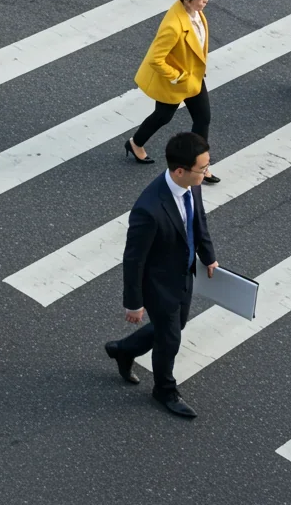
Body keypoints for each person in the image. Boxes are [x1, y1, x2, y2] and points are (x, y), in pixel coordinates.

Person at [105, 133, 219, 418]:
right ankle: (164, 389)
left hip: (184, 273)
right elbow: (133, 259)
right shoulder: (149, 209)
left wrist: (208, 255)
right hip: (158, 284)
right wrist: (134, 302)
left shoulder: (191, 184)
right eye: (202, 168)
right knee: (170, 338)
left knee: (175, 325)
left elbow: (198, 219)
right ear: (180, 170)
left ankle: (124, 350)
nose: (207, 172)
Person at [124, 0, 220, 185]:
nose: (206, 0)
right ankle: (135, 143)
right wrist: (177, 76)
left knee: (203, 119)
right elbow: (156, 59)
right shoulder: (173, 25)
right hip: (177, 80)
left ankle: (200, 166)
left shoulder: (194, 12)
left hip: (193, 77)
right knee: (163, 117)